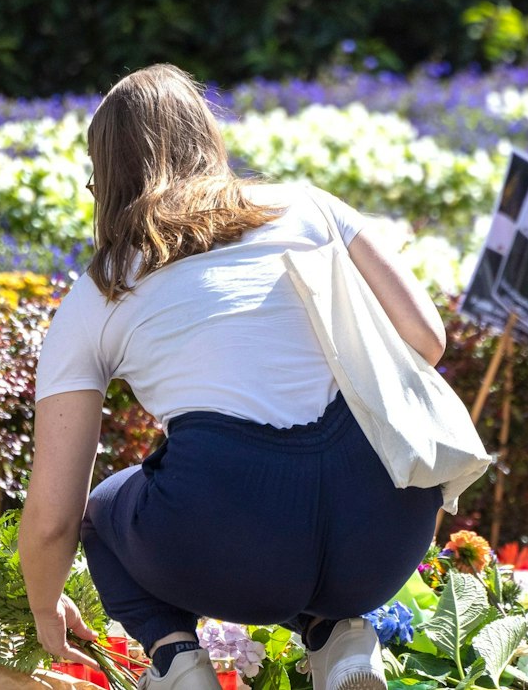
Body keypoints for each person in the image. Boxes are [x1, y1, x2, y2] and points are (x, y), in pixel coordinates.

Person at [22, 64, 446, 690]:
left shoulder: (101, 290)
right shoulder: (310, 207)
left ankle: (177, 665)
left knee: (105, 512)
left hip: (237, 541)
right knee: (308, 488)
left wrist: (43, 605)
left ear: (106, 180)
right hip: (387, 527)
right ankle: (342, 636)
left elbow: (54, 517)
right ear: (209, 142)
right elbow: (427, 340)